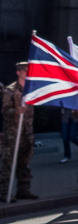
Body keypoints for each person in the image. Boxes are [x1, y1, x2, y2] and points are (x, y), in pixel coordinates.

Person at [2, 62, 38, 200]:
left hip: (26, 132)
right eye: (25, 70)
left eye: (29, 70)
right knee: (8, 164)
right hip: (13, 133)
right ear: (18, 72)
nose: (27, 72)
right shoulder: (10, 90)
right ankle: (4, 192)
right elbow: (4, 111)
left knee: (24, 163)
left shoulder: (31, 90)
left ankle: (23, 190)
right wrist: (15, 111)